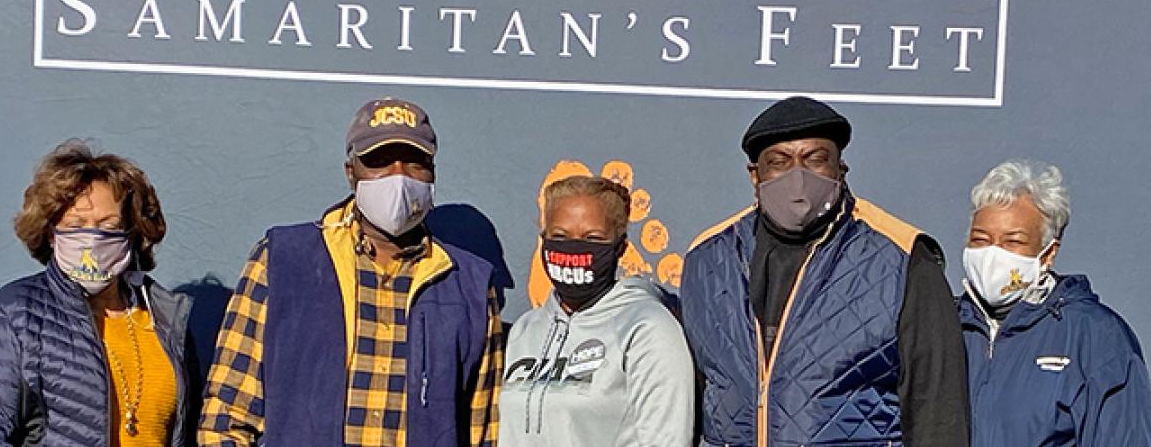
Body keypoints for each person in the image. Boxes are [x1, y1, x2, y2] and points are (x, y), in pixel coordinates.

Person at [197, 98, 503, 446]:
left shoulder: (471, 286)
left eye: (414, 162)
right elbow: (226, 417)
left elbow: (484, 433)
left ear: (432, 173)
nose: (398, 176)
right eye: (379, 161)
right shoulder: (282, 261)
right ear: (351, 172)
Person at [681, 96, 970, 446]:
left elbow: (938, 410)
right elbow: (692, 397)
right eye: (779, 162)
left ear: (840, 169)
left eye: (815, 159)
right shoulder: (708, 259)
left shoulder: (903, 257)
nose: (798, 176)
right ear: (755, 175)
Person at [0, 140, 197, 447]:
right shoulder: (13, 314)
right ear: (51, 233)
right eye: (75, 225)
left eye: (108, 226)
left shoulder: (164, 318)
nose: (91, 239)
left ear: (132, 233)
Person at [958, 160, 1151, 445]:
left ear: (1049, 253)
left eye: (1012, 241)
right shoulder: (940, 328)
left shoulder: (1095, 336)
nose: (992, 254)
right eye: (980, 239)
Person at [499, 176, 694, 446]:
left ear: (620, 247)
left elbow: (666, 439)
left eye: (592, 238)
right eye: (560, 236)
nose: (574, 248)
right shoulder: (524, 330)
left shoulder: (647, 328)